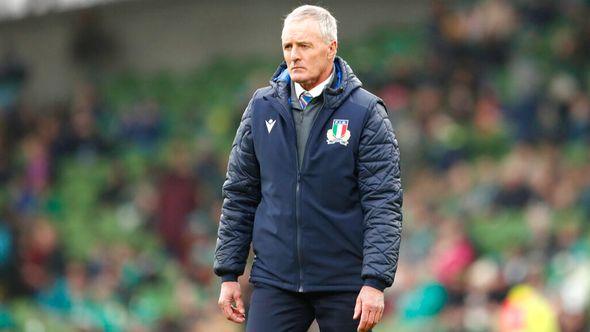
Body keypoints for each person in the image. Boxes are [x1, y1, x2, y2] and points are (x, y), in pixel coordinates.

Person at [214, 5, 403, 332]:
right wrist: (229, 275)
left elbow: (383, 201)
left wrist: (375, 281)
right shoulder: (260, 108)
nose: (294, 55)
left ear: (331, 49)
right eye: (288, 46)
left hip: (345, 280)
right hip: (277, 278)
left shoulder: (366, 113)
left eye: (304, 46)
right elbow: (240, 194)